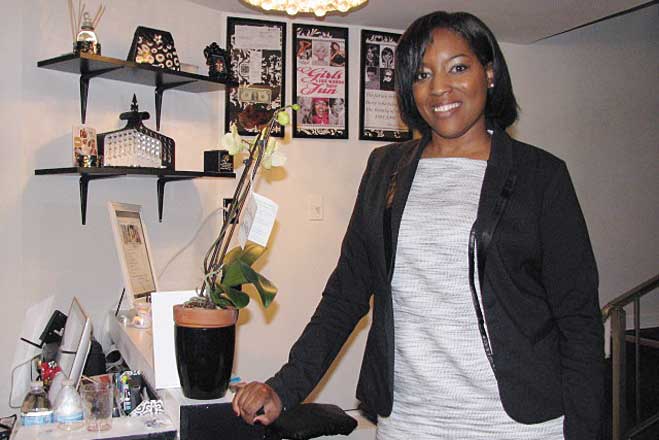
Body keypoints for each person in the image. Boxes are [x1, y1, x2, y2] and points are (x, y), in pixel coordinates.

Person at [233, 11, 604, 440]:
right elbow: (346, 293)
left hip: (518, 425)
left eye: (458, 67)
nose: (439, 88)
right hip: (410, 422)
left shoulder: (541, 177)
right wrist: (285, 387)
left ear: (490, 72)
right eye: (422, 74)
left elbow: (578, 321)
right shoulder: (384, 170)